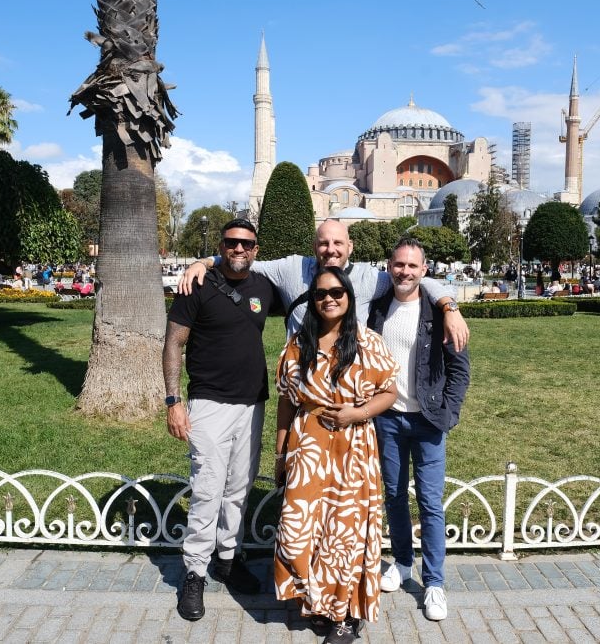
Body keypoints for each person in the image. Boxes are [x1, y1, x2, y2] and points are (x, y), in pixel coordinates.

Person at [272, 266, 399, 644]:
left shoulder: (367, 341)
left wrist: (356, 414)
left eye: (336, 293)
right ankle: (317, 601)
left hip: (353, 446)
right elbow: (286, 400)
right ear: (312, 300)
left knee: (345, 532)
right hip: (308, 444)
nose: (328, 299)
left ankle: (344, 616)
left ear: (348, 297)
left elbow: (389, 391)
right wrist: (280, 453)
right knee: (299, 530)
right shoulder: (300, 343)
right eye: (321, 293)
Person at [162, 218, 276, 621]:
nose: (238, 249)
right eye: (230, 243)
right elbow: (173, 342)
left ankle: (228, 559)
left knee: (239, 488)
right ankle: (194, 571)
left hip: (252, 404)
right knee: (208, 489)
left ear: (256, 249)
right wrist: (173, 401)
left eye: (246, 243)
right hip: (209, 403)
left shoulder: (264, 286)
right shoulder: (197, 285)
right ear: (222, 245)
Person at [367, 238, 470, 622]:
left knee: (429, 502)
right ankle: (402, 562)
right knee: (394, 496)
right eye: (399, 264)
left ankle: (434, 583)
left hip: (427, 420)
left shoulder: (439, 312)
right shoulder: (377, 308)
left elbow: (459, 370)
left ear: (424, 271)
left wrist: (449, 413)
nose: (405, 272)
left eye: (413, 266)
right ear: (389, 266)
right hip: (388, 418)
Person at [179, 219, 469, 351]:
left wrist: (450, 308)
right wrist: (204, 262)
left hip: (350, 385)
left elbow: (417, 279)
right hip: (301, 381)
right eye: (324, 243)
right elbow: (243, 260)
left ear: (350, 247)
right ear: (314, 246)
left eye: (338, 243)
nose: (331, 250)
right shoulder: (292, 268)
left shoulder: (369, 278)